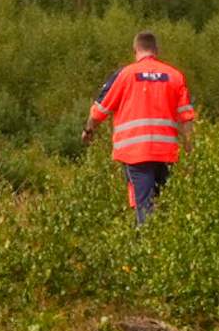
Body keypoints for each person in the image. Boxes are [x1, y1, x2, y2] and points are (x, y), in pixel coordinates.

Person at [81, 31, 196, 224]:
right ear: (157, 50)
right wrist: (191, 150)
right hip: (166, 154)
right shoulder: (175, 76)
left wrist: (89, 131)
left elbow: (100, 110)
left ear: (135, 50)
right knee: (164, 205)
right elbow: (187, 118)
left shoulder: (126, 75)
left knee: (144, 207)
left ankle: (146, 249)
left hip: (135, 154)